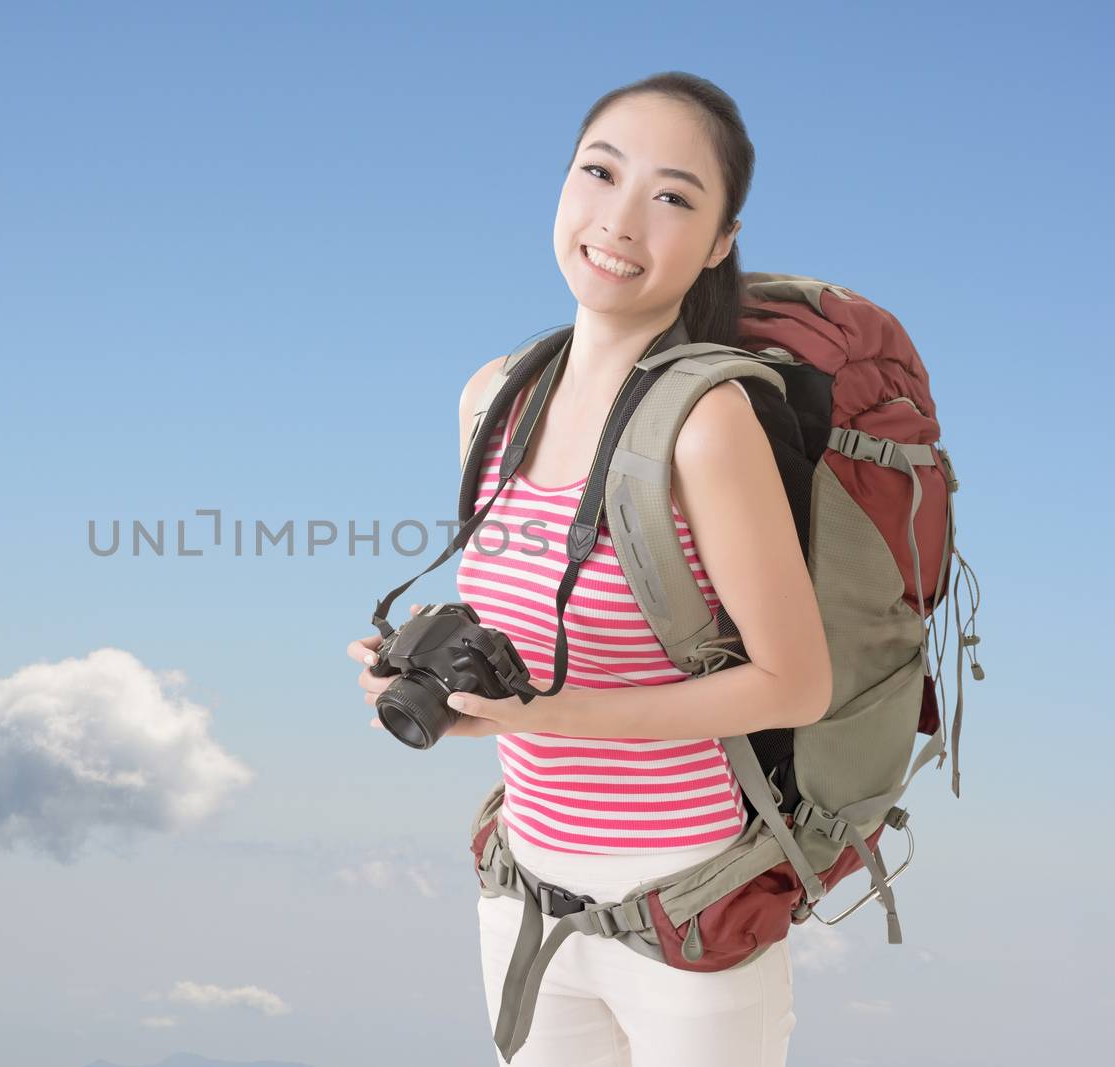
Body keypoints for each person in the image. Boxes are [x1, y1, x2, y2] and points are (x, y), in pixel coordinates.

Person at [345, 71, 831, 1066]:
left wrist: (543, 713)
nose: (619, 219)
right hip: (524, 894)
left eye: (671, 196)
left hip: (684, 911)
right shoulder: (493, 396)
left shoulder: (707, 423)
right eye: (598, 172)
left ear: (719, 241)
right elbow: (528, 618)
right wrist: (439, 684)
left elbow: (796, 682)